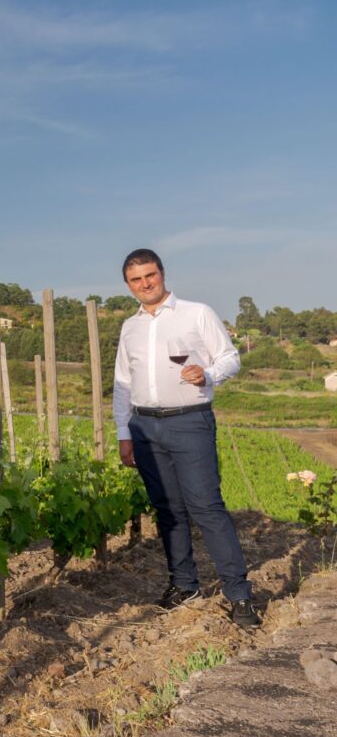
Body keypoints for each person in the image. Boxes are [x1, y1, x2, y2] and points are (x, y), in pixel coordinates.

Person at [113, 248, 259, 627]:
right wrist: (123, 433)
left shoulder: (197, 313)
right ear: (128, 285)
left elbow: (230, 357)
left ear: (162, 274)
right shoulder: (129, 327)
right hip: (144, 427)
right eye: (136, 279)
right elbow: (123, 385)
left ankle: (239, 594)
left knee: (206, 507)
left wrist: (206, 374)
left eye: (150, 275)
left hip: (189, 423)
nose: (145, 284)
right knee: (167, 511)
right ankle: (184, 584)